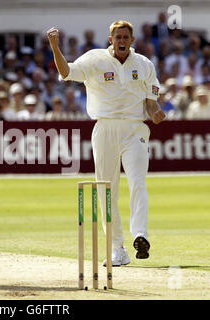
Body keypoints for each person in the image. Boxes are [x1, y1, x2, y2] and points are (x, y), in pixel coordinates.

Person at [47, 20, 166, 266]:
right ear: (110, 40)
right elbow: (67, 72)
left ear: (132, 41)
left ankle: (140, 235)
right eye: (117, 37)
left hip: (135, 129)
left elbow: (151, 100)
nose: (122, 41)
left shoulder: (144, 64)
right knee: (106, 188)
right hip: (104, 127)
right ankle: (117, 249)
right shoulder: (95, 59)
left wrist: (155, 112)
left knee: (138, 182)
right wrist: (54, 46)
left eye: (126, 37)